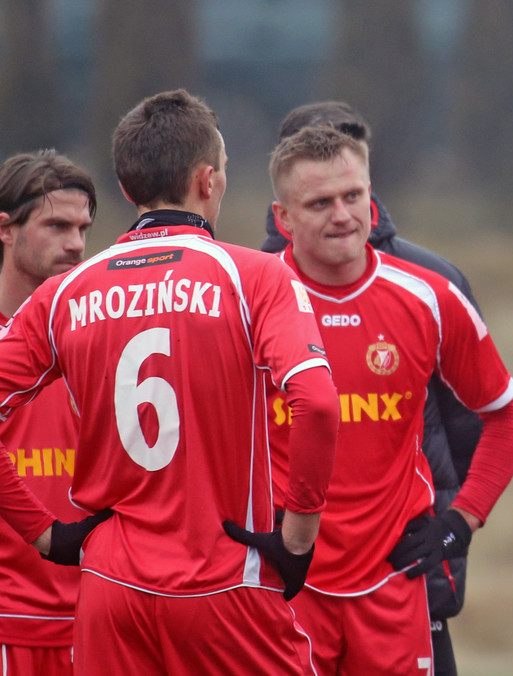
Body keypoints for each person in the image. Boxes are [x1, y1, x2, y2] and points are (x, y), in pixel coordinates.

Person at [0, 89, 342, 675]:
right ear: (208, 181)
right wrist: (298, 538)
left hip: (109, 589)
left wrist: (43, 533)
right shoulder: (255, 276)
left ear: (128, 189)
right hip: (225, 582)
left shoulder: (64, 294)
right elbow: (316, 404)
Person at [266, 124, 513, 675]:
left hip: (392, 586)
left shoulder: (428, 296)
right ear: (284, 218)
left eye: (353, 196)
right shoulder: (251, 300)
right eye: (320, 202)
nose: (342, 214)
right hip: (285, 589)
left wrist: (461, 521)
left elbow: (507, 418)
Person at [0, 150, 94, 675]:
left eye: (83, 227)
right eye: (57, 225)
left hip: (101, 616)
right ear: (6, 230)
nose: (76, 244)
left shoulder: (102, 342)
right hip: (10, 622)